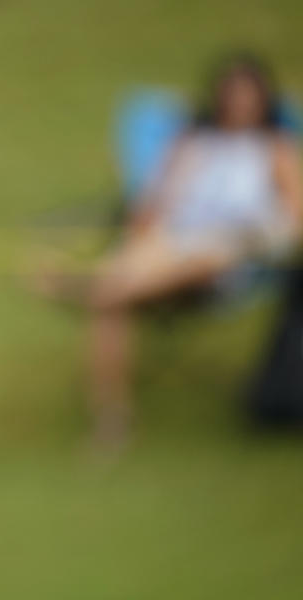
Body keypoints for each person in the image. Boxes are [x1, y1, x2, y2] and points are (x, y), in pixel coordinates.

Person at [44, 54, 303, 445]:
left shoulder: (275, 148)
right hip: (170, 247)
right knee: (119, 294)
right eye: (232, 94)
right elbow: (152, 209)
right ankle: (112, 421)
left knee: (184, 262)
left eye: (248, 94)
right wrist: (141, 232)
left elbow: (294, 221)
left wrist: (257, 237)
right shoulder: (192, 143)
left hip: (234, 254)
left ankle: (89, 286)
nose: (240, 103)